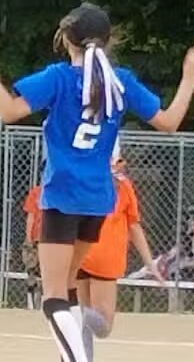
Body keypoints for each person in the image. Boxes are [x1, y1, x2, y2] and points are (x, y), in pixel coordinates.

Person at [0, 2, 194, 361]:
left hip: (62, 196)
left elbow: (9, 110)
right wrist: (190, 76)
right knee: (67, 288)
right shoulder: (120, 81)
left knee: (52, 299)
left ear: (67, 39)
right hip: (98, 200)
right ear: (108, 41)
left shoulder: (60, 78)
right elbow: (169, 122)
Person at [76, 144, 162, 361]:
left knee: (85, 326)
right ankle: (76, 312)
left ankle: (76, 315)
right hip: (105, 257)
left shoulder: (83, 179)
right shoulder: (122, 186)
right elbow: (134, 226)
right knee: (103, 327)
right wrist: (149, 262)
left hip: (79, 253)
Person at [21, 164, 44, 310]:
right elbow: (31, 216)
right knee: (31, 268)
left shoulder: (60, 193)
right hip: (36, 237)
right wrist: (29, 237)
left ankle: (43, 301)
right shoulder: (36, 193)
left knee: (46, 272)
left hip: (50, 239)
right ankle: (30, 300)